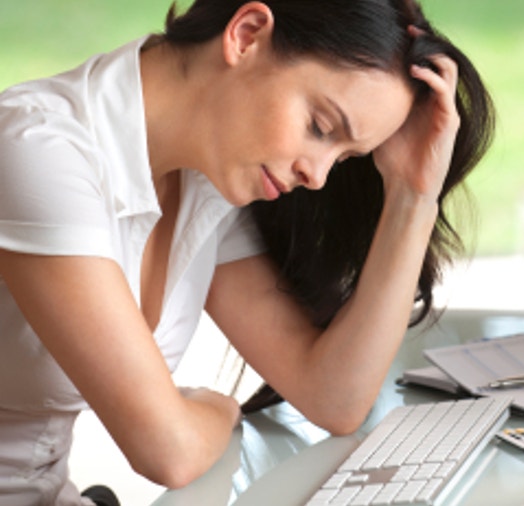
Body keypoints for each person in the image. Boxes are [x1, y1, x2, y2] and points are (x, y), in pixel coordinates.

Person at [0, 0, 494, 504]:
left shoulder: (207, 177)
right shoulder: (36, 152)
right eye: (321, 127)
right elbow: (169, 451)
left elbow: (333, 397)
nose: (318, 176)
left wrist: (413, 198)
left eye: (345, 158)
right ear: (247, 33)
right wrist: (218, 409)